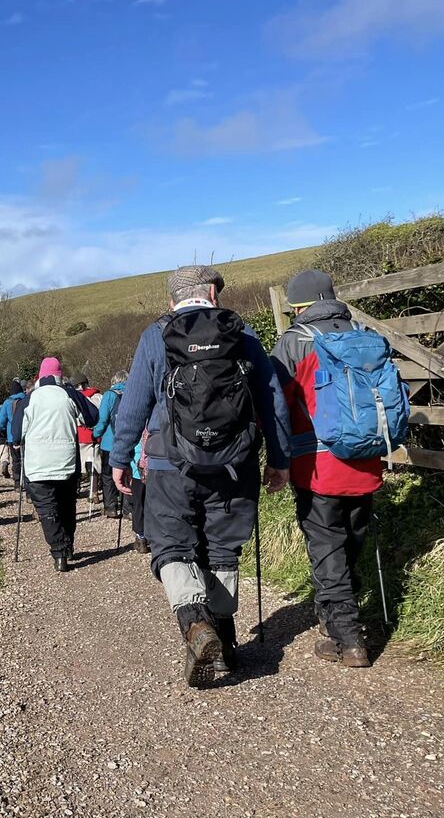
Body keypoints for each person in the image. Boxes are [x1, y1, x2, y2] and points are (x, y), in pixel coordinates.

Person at [109, 265, 291, 687]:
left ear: (172, 301)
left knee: (172, 546)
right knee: (223, 550)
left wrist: (120, 456)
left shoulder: (156, 335)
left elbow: (133, 404)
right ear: (212, 292)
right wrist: (279, 459)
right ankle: (225, 644)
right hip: (235, 464)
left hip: (171, 464)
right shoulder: (242, 336)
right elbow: (272, 402)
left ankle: (195, 625)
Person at [270, 270, 386, 669]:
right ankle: (334, 613)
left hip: (316, 465)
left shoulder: (294, 342)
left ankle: (347, 637)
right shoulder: (365, 335)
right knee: (351, 539)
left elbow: (277, 407)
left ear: (298, 305)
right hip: (366, 459)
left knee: (326, 548)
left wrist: (276, 460)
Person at [13, 357, 99, 572]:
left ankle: (59, 552)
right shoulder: (70, 394)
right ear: (60, 375)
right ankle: (67, 545)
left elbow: (15, 433)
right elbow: (92, 418)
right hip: (67, 462)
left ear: (40, 376)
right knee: (67, 505)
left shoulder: (29, 399)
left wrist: (18, 441)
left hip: (37, 464)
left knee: (47, 509)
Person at [92, 371, 127, 519]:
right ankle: (128, 508)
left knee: (108, 476)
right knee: (127, 475)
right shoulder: (134, 392)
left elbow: (103, 418)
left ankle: (111, 507)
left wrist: (96, 434)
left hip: (109, 443)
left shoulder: (109, 395)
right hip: (129, 441)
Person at [71, 375, 103, 503]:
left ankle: (76, 489)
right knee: (94, 463)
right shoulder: (98, 397)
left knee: (77, 463)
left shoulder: (75, 398)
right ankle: (94, 492)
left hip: (80, 433)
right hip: (95, 433)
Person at [0, 379, 28, 487]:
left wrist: (0, 430)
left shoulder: (7, 402)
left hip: (12, 436)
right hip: (27, 435)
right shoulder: (27, 399)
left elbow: (1, 421)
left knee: (16, 460)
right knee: (27, 459)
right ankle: (28, 483)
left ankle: (17, 483)